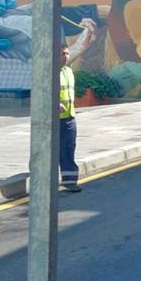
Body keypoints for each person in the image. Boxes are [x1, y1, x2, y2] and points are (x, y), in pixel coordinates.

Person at [59, 44, 81, 192]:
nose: (66, 56)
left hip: (69, 117)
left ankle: (70, 180)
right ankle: (40, 176)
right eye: (62, 54)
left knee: (69, 148)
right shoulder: (48, 71)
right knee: (50, 150)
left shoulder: (68, 71)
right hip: (53, 118)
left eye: (67, 53)